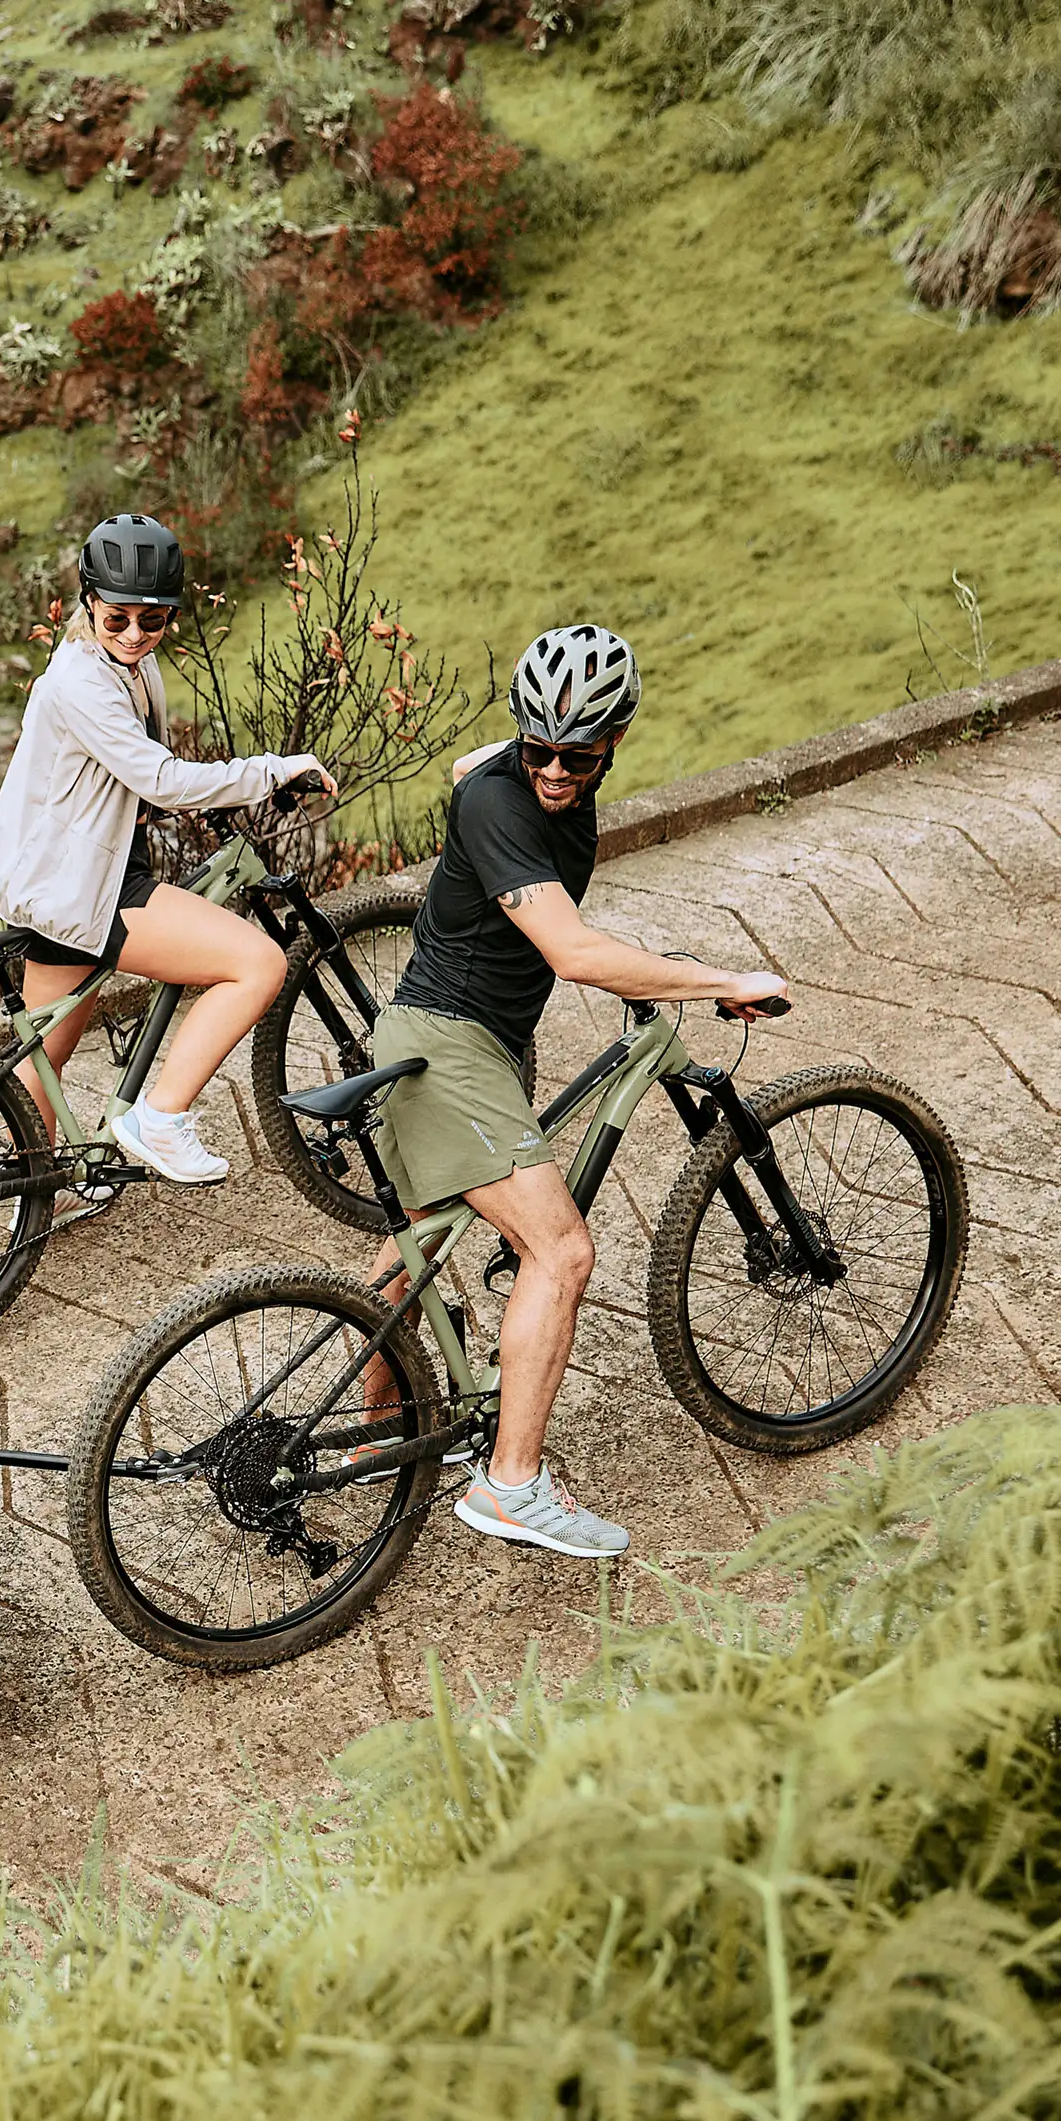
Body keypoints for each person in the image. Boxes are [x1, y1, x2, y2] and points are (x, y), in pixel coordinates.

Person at [364, 623, 788, 1558]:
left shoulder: (545, 792)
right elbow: (572, 951)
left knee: (417, 1256)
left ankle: (375, 1441)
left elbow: (558, 935)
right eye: (540, 750)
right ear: (521, 733)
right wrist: (718, 979)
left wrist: (662, 971)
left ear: (615, 740)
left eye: (579, 756)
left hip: (457, 1044)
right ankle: (511, 1487)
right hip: (450, 1047)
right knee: (561, 1252)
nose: (556, 771)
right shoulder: (502, 803)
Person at [0, 512, 332, 1185]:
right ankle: (159, 1118)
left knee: (45, 1061)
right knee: (257, 964)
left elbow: (136, 771)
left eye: (154, 620)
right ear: (88, 604)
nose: (137, 635)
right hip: (81, 888)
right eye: (118, 620)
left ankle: (30, 1188)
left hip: (69, 874)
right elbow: (161, 778)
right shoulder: (80, 679)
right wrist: (266, 772)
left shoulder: (126, 666)